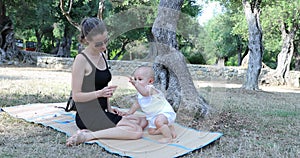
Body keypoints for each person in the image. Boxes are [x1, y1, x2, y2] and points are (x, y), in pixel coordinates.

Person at [66, 17, 147, 146]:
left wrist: (109, 109)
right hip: (87, 114)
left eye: (105, 41)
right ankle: (87, 136)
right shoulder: (81, 60)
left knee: (142, 121)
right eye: (99, 44)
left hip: (102, 111)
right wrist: (99, 94)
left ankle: (102, 129)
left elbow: (105, 88)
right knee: (136, 131)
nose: (103, 46)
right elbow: (76, 96)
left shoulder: (102, 55)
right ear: (87, 39)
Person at [122, 66, 177, 143]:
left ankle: (168, 137)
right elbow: (136, 104)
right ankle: (168, 127)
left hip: (163, 112)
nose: (137, 81)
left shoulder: (150, 89)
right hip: (153, 115)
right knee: (151, 131)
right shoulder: (139, 94)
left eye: (140, 79)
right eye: (135, 79)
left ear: (150, 81)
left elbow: (145, 93)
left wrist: (136, 84)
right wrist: (129, 113)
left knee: (159, 122)